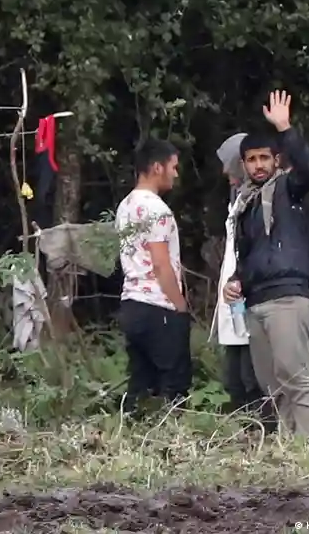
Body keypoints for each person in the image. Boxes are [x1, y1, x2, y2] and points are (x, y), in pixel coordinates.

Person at [222, 90, 309, 438]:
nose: (258, 165)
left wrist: (285, 128)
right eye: (251, 159)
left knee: (295, 377)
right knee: (271, 384)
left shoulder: (289, 190)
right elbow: (249, 254)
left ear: (277, 160)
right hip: (256, 300)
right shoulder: (245, 202)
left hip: (288, 297)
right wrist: (235, 281)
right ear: (243, 164)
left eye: (265, 157)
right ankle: (288, 447)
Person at [115, 138, 191, 414]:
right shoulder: (157, 209)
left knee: (141, 381)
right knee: (174, 383)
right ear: (157, 167)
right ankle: (175, 432)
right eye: (173, 166)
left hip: (131, 303)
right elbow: (160, 263)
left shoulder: (125, 205)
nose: (176, 174)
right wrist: (180, 305)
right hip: (159, 304)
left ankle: (130, 430)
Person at [209, 133, 264, 414]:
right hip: (233, 296)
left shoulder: (261, 199)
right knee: (234, 374)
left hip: (250, 293)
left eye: (229, 165)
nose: (224, 173)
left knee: (252, 373)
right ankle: (241, 425)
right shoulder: (238, 198)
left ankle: (259, 425)